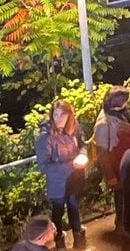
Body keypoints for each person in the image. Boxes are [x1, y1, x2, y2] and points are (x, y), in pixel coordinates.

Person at [35, 99, 87, 249]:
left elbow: (83, 144)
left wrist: (83, 154)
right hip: (58, 181)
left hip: (75, 178)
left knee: (74, 207)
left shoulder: (74, 127)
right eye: (56, 115)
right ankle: (59, 241)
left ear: (69, 115)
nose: (59, 119)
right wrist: (71, 165)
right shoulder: (45, 137)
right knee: (57, 211)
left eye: (62, 115)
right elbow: (44, 165)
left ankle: (78, 238)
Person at [93, 85, 130, 235]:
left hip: (127, 161)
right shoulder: (103, 123)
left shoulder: (118, 113)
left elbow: (127, 126)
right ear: (118, 102)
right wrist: (110, 175)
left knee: (129, 194)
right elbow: (102, 153)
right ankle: (122, 225)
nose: (127, 103)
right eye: (125, 100)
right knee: (121, 196)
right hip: (117, 165)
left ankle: (128, 222)